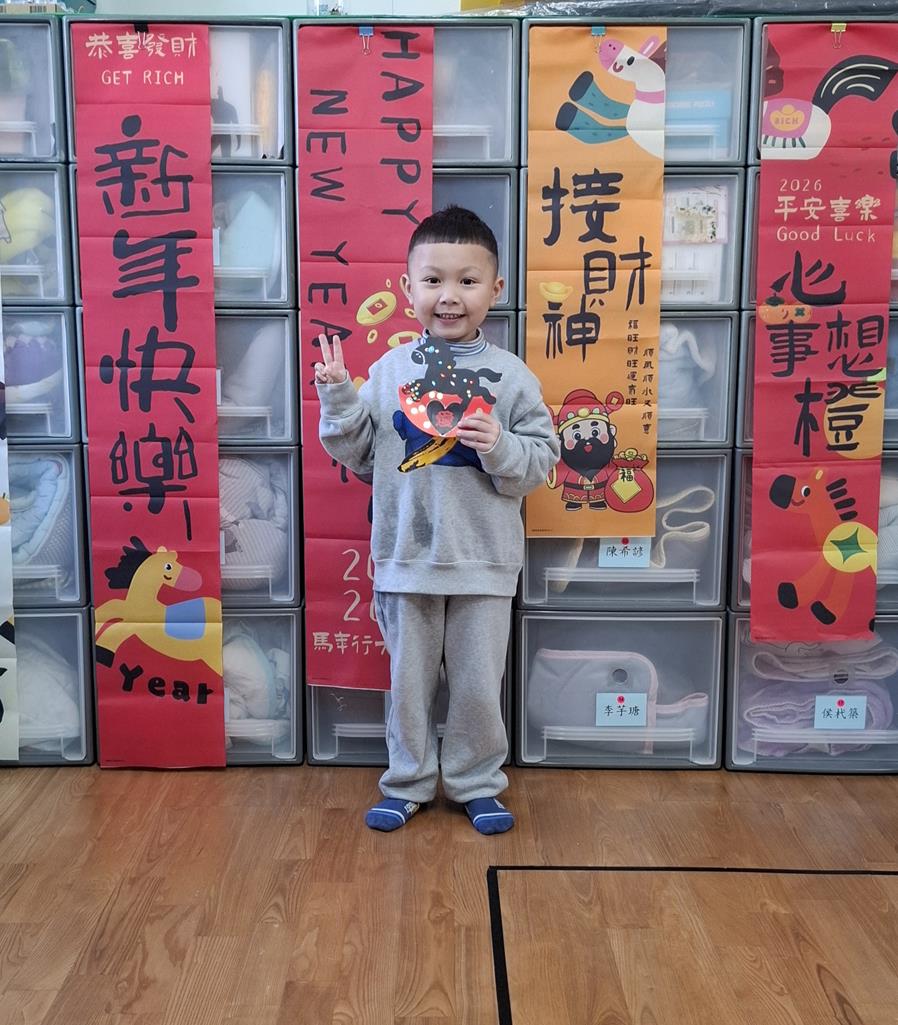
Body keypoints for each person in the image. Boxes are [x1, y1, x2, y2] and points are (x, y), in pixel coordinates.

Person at [314, 205, 559, 835]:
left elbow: (540, 464)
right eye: (433, 280)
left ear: (495, 289)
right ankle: (408, 781)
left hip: (484, 563)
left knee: (478, 687)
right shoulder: (389, 372)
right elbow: (362, 457)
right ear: (407, 288)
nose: (449, 296)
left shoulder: (513, 377)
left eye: (467, 281)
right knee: (408, 685)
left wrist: (500, 446)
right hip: (406, 558)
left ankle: (477, 783)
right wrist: (339, 396)